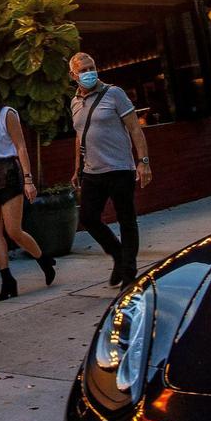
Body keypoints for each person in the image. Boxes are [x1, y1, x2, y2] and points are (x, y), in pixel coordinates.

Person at [69, 52, 152, 289]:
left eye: (91, 67)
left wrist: (143, 161)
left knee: (127, 220)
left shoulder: (114, 94)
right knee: (88, 218)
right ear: (73, 75)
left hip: (119, 168)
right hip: (92, 171)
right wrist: (77, 166)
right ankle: (118, 254)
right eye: (83, 70)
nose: (88, 73)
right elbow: (80, 135)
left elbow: (135, 129)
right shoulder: (75, 102)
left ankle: (129, 273)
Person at [0, 74, 56, 301]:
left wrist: (28, 179)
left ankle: (43, 260)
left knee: (13, 230)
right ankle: (7, 280)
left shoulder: (7, 114)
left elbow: (20, 146)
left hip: (8, 170)